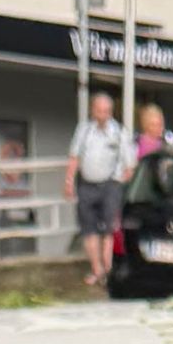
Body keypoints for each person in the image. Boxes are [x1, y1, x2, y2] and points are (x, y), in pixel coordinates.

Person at [70, 87, 128, 287]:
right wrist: (69, 181)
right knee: (89, 228)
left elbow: (129, 164)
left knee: (110, 229)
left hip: (110, 184)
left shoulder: (119, 132)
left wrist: (119, 181)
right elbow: (74, 156)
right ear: (93, 111)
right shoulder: (84, 130)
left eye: (106, 111)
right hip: (86, 184)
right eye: (99, 110)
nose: (102, 115)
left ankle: (109, 269)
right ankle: (97, 269)